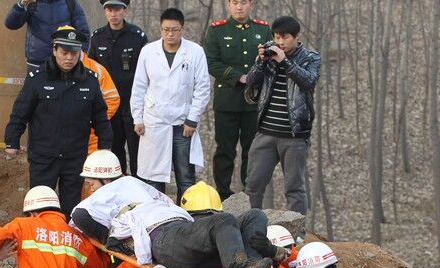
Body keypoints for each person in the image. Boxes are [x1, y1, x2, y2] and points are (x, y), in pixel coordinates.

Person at [73, 179, 273, 268]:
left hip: (184, 234)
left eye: (92, 183)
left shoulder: (133, 187)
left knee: (255, 216)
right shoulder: (111, 201)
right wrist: (112, 240)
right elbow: (80, 215)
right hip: (165, 237)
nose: (91, 188)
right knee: (225, 220)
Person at [5, 27, 113, 218]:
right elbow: (20, 112)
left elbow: (101, 118)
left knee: (71, 207)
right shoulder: (37, 78)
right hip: (43, 156)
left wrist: (105, 148)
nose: (69, 58)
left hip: (75, 156)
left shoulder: (89, 81)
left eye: (74, 53)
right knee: (40, 205)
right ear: (54, 50)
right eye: (64, 53)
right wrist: (11, 140)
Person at [244, 16, 320, 215]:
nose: (280, 42)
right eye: (277, 37)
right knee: (253, 186)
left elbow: (309, 81)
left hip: (294, 136)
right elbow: (251, 82)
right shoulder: (269, 56)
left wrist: (285, 62)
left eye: (285, 37)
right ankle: (250, 227)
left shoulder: (310, 57)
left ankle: (297, 236)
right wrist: (261, 61)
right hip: (265, 133)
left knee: (294, 190)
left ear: (296, 36)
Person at [131, 8, 210, 199]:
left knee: (185, 177)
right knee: (152, 177)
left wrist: (192, 120)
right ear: (160, 29)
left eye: (174, 30)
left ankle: (187, 217)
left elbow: (203, 88)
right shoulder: (148, 52)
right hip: (154, 122)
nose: (170, 34)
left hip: (182, 122)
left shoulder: (195, 52)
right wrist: (137, 118)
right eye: (165, 29)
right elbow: (139, 87)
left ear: (182, 29)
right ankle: (158, 219)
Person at [204, 0, 271, 200]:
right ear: (228, 5)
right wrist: (237, 76)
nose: (239, 7)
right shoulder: (217, 30)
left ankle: (248, 193)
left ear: (250, 4)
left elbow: (270, 60)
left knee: (251, 150)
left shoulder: (263, 29)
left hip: (254, 102)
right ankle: (223, 193)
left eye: (243, 2)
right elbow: (211, 62)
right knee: (225, 150)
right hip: (227, 101)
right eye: (235, 2)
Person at [89, 0, 148, 176]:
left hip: (133, 105)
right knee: (113, 152)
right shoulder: (97, 37)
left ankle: (140, 189)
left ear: (125, 11)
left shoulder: (137, 37)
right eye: (109, 10)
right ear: (105, 12)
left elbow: (146, 72)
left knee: (137, 151)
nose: (113, 14)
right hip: (108, 106)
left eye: (117, 10)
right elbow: (91, 71)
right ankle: (118, 188)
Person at [4, 0, 89, 71]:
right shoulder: (32, 3)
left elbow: (83, 32)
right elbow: (11, 24)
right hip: (37, 61)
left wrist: (78, 57)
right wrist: (21, 5)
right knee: (35, 90)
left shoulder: (70, 2)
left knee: (64, 90)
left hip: (63, 62)